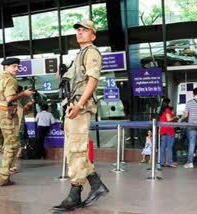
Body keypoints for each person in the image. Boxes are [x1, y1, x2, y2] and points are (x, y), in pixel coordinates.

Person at [52, 20, 109, 212]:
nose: (80, 33)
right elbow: (74, 82)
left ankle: (74, 194)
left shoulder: (91, 52)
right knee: (74, 150)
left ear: (93, 35)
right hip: (72, 107)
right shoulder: (79, 55)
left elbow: (93, 81)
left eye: (84, 30)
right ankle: (96, 184)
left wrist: (79, 104)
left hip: (79, 108)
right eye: (78, 30)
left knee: (76, 150)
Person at [0, 58, 34, 186]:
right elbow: (10, 98)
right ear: (6, 67)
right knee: (12, 144)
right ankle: (4, 177)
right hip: (7, 114)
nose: (16, 69)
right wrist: (23, 93)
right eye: (14, 66)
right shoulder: (11, 80)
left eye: (17, 67)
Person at [10, 85, 34, 174]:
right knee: (12, 144)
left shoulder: (19, 101)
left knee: (16, 143)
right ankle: (10, 166)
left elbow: (30, 104)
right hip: (14, 127)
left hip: (18, 126)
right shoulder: (12, 101)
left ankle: (11, 165)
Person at [159, 98, 179, 168]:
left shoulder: (162, 111)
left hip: (163, 130)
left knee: (163, 147)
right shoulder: (167, 110)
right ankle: (170, 162)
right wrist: (175, 117)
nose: (171, 104)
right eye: (170, 103)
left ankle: (162, 162)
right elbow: (169, 119)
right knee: (169, 147)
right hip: (169, 130)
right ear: (167, 103)